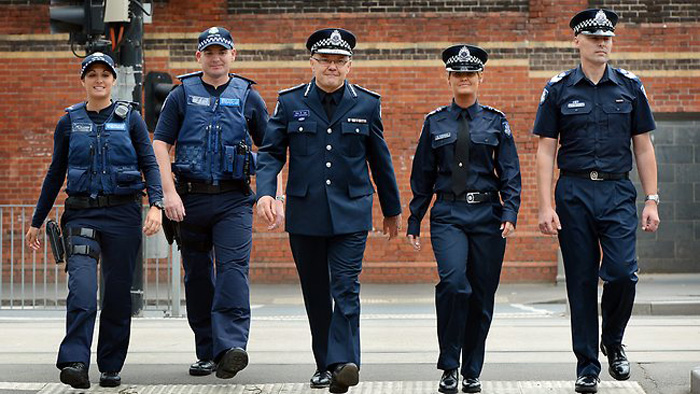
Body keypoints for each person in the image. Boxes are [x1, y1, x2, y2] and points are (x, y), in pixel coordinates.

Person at [255, 28, 402, 393]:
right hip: (306, 212)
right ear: (313, 63)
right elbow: (271, 153)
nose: (332, 67)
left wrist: (392, 208)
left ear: (349, 65)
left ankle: (345, 363)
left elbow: (380, 160)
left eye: (339, 61)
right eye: (326, 60)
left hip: (352, 210)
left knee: (346, 288)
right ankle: (325, 364)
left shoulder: (367, 104)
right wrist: (265, 193)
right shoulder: (290, 103)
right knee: (316, 292)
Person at [533, 9, 660, 394]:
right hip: (572, 193)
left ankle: (614, 341)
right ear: (577, 41)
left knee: (622, 272)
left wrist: (652, 199)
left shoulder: (630, 86)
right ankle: (587, 364)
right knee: (581, 281)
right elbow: (544, 150)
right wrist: (544, 205)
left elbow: (643, 147)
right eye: (594, 37)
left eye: (607, 37)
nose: (603, 42)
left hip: (617, 192)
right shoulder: (558, 89)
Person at [25, 52, 163, 389]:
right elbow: (55, 173)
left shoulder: (131, 119)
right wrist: (37, 220)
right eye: (92, 74)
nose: (99, 80)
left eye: (105, 74)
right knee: (83, 291)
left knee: (116, 295)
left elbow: (150, 164)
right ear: (83, 80)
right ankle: (75, 361)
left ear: (114, 80)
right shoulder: (69, 122)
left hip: (123, 215)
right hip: (82, 214)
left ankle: (111, 365)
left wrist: (156, 205)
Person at [152, 26, 280, 379]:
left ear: (233, 55)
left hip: (233, 199)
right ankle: (206, 350)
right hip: (189, 199)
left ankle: (231, 347)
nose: (216, 57)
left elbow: (270, 150)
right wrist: (168, 194)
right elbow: (160, 144)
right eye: (209, 52)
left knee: (233, 271)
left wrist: (272, 194)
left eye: (222, 51)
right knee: (197, 277)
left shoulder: (247, 96)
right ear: (199, 57)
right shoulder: (181, 95)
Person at [406, 44, 521, 394]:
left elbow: (511, 172)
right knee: (455, 284)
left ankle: (471, 370)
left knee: (482, 295)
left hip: (487, 215)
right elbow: (422, 174)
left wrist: (511, 211)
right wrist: (415, 219)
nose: (464, 78)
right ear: (450, 79)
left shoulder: (496, 121)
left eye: (470, 73)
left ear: (480, 77)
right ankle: (449, 364)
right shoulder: (435, 121)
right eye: (458, 74)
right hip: (448, 214)